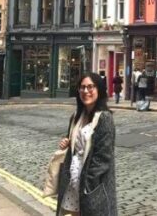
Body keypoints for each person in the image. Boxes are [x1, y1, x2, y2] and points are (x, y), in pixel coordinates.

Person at [56, 72, 117, 216]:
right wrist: (67, 142)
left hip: (90, 185)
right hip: (73, 182)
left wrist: (89, 184)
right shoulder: (77, 115)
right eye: (82, 87)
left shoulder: (104, 118)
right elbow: (74, 142)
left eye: (90, 87)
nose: (86, 91)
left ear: (99, 90)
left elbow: (103, 158)